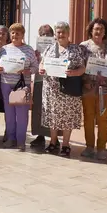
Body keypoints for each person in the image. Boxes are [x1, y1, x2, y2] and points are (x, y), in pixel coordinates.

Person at [39, 21, 87, 157]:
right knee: (52, 116)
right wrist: (41, 68)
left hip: (68, 89)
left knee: (67, 117)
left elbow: (82, 68)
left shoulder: (76, 49)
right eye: (58, 32)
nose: (60, 34)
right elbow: (42, 63)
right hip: (51, 90)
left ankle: (66, 144)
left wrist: (75, 73)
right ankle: (53, 142)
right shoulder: (49, 48)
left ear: (68, 33)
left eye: (63, 32)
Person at [80, 18, 107, 160]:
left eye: (101, 29)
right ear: (91, 30)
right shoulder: (83, 47)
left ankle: (101, 148)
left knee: (103, 119)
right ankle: (89, 146)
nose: (98, 31)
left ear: (105, 32)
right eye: (96, 29)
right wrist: (85, 81)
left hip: (106, 89)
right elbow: (79, 65)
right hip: (88, 88)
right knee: (88, 118)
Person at [0, 23, 38, 149]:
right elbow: (0, 65)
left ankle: (21, 141)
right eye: (13, 33)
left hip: (21, 86)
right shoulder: (4, 49)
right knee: (9, 114)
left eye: (18, 33)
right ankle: (11, 138)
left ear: (22, 35)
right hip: (6, 84)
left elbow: (35, 67)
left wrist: (28, 71)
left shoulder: (29, 49)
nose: (15, 35)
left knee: (21, 114)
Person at [30, 24, 53, 148]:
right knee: (38, 109)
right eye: (43, 34)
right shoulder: (36, 51)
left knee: (51, 110)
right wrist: (36, 57)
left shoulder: (57, 49)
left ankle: (54, 138)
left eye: (48, 34)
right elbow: (33, 65)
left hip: (53, 83)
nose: (45, 36)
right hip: (39, 81)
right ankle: (40, 136)